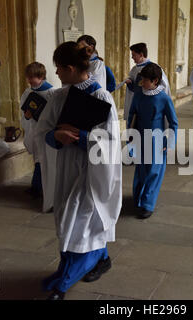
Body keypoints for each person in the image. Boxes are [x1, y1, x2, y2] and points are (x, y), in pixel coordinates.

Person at [36, 42, 122, 300]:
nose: (57, 74)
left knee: (80, 223)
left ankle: (64, 282)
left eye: (59, 69)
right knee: (68, 220)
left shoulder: (101, 97)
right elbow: (43, 130)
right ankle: (99, 259)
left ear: (71, 68)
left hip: (90, 173)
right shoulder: (60, 96)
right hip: (66, 170)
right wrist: (55, 135)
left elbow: (110, 142)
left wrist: (81, 137)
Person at [127, 63, 178, 220]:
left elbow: (174, 122)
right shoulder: (138, 94)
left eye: (146, 80)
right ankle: (138, 198)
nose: (142, 83)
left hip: (157, 140)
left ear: (155, 81)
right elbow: (131, 116)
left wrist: (169, 144)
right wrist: (130, 137)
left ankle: (148, 204)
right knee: (141, 170)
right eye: (141, 80)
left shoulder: (163, 98)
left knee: (154, 173)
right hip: (140, 138)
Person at [20, 62, 56, 207]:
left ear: (41, 77)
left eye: (32, 78)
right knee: (38, 159)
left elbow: (55, 113)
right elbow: (24, 113)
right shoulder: (28, 93)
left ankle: (43, 188)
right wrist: (27, 116)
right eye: (28, 78)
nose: (29, 81)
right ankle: (36, 187)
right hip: (35, 130)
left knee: (45, 160)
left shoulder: (52, 92)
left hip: (47, 131)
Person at [123, 42, 171, 122]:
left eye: (134, 55)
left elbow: (163, 86)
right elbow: (134, 89)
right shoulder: (134, 69)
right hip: (136, 106)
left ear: (141, 54)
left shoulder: (154, 68)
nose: (132, 57)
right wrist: (130, 84)